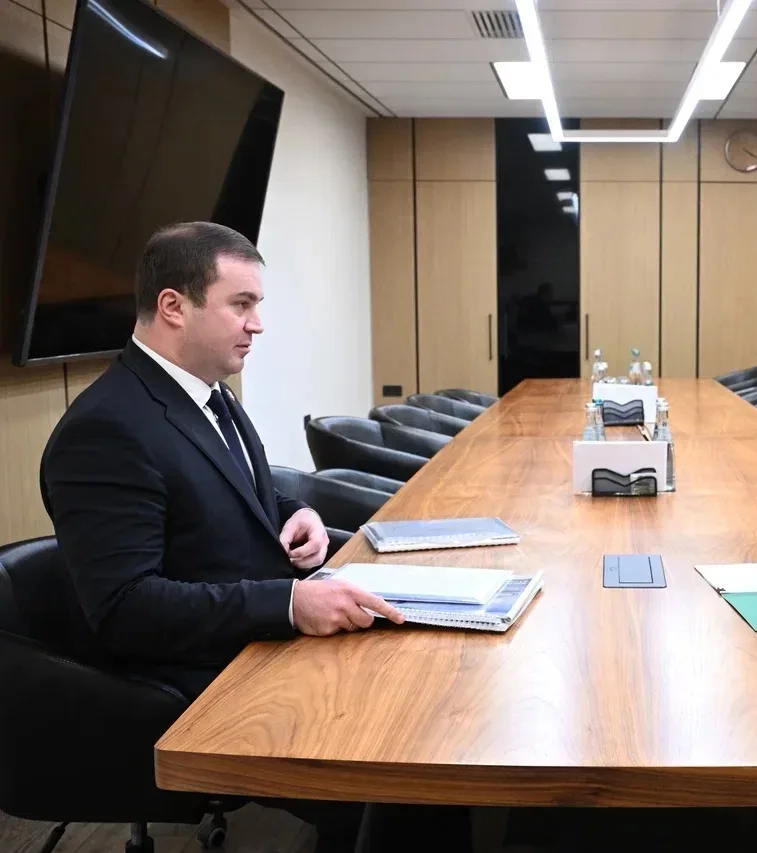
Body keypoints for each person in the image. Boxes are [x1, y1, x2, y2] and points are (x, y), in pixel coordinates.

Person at [40, 221, 470, 853]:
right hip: (206, 681)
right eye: (241, 304)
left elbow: (230, 493)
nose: (257, 324)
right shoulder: (106, 429)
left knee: (438, 705)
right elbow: (125, 609)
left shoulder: (209, 395)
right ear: (173, 306)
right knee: (407, 772)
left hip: (263, 641)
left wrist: (297, 512)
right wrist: (290, 604)